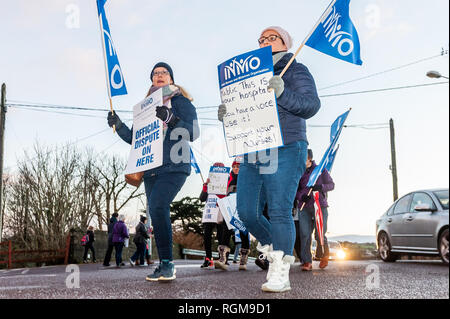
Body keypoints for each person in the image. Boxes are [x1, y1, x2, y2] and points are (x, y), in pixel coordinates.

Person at [219, 26, 321, 292]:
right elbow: (245, 116)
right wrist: (229, 117)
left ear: (285, 44)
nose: (265, 41)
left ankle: (280, 270)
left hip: (287, 146)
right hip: (254, 150)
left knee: (278, 210)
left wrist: (283, 93)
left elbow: (311, 105)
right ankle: (279, 251)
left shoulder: (296, 69)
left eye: (271, 37)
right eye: (261, 39)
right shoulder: (247, 77)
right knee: (247, 212)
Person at [108, 62, 199, 281]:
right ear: (151, 80)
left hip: (174, 164)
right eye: (155, 73)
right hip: (150, 169)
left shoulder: (179, 101)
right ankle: (163, 264)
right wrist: (118, 125)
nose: (159, 75)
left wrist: (170, 118)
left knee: (158, 206)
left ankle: (167, 264)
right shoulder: (145, 108)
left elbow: (193, 131)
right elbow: (135, 139)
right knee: (157, 215)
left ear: (171, 78)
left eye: (164, 72)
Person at [296, 149, 335, 271]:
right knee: (304, 234)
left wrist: (320, 187)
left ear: (309, 158)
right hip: (304, 207)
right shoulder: (298, 171)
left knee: (320, 233)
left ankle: (324, 255)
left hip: (319, 206)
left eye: (304, 158)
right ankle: (307, 261)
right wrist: (300, 196)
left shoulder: (320, 170)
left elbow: (331, 185)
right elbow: (294, 190)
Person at [215, 160, 251, 271]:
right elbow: (220, 193)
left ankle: (243, 258)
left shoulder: (247, 178)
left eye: (238, 166)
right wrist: (212, 184)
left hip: (242, 207)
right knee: (226, 230)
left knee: (243, 230)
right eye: (234, 166)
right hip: (229, 209)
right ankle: (223, 259)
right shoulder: (227, 178)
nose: (236, 168)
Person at [199, 163, 226, 270]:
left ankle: (222, 258)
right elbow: (201, 198)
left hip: (219, 212)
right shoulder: (208, 183)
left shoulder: (225, 182)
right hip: (209, 213)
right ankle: (208, 258)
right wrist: (206, 186)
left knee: (221, 236)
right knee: (207, 236)